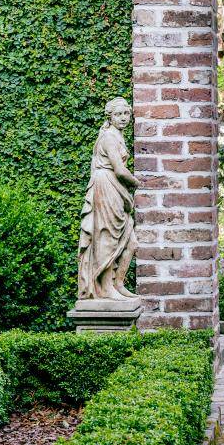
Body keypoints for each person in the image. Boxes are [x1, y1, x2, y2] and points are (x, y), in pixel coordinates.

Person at [77, 97, 139, 300]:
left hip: (115, 187)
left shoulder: (117, 136)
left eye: (126, 114)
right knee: (108, 236)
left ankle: (118, 282)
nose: (123, 118)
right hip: (106, 186)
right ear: (110, 117)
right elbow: (120, 170)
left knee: (131, 243)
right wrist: (137, 182)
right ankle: (105, 288)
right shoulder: (109, 138)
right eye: (118, 114)